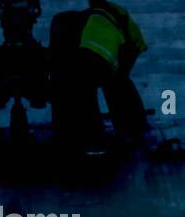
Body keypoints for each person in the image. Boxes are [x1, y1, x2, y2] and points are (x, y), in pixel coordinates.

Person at [51, 0, 149, 150]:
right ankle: (132, 128)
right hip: (121, 42)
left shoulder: (85, 30)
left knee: (86, 85)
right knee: (116, 83)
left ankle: (92, 134)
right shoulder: (110, 15)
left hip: (106, 47)